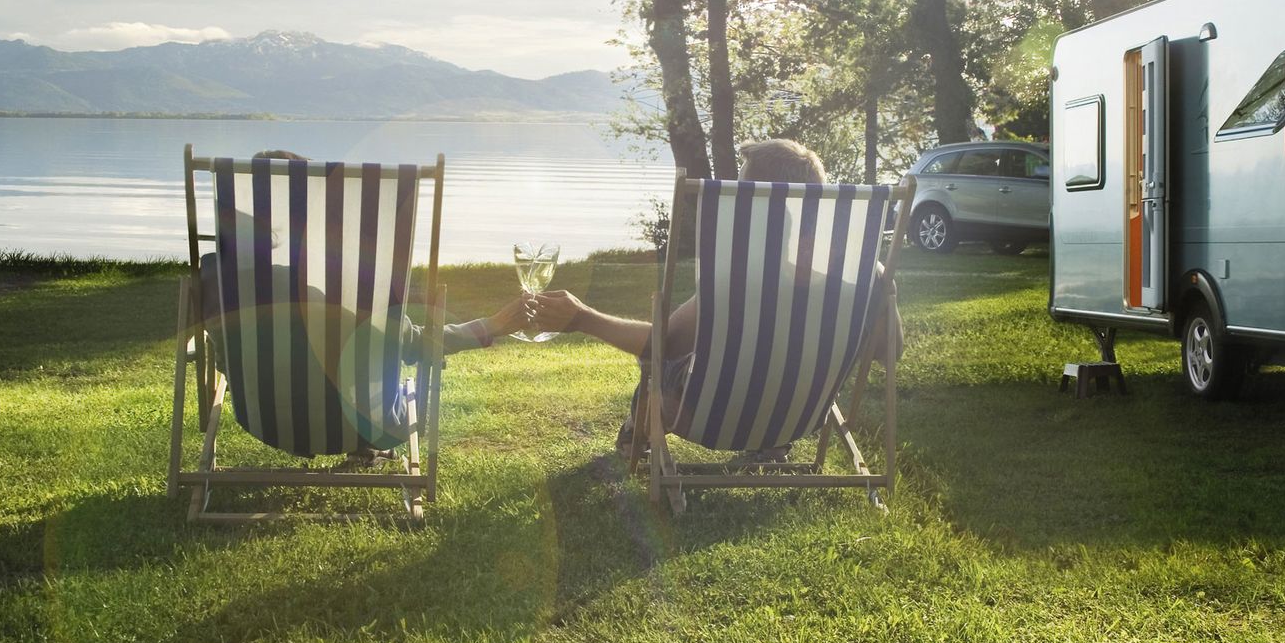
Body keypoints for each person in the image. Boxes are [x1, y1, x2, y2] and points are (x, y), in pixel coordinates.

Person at [526, 138, 902, 460]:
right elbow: (891, 352)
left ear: (755, 202)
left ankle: (635, 432)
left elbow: (666, 343)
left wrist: (583, 317)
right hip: (797, 417)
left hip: (710, 419)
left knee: (656, 358)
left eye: (741, 187)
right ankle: (771, 445)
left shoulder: (740, 277)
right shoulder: (870, 276)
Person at [194, 150, 534, 463]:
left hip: (264, 419)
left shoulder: (214, 285)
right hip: (364, 425)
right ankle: (366, 450)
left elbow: (225, 358)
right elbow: (420, 343)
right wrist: (490, 325)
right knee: (361, 366)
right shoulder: (338, 294)